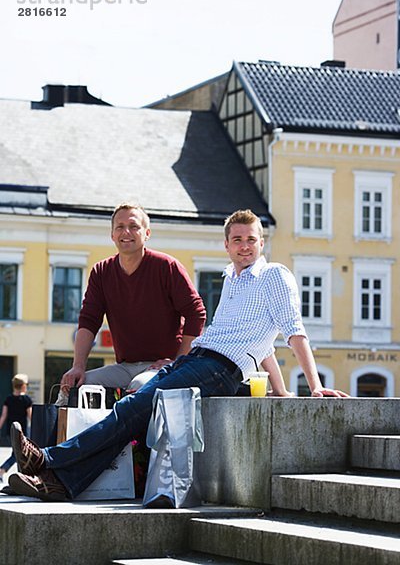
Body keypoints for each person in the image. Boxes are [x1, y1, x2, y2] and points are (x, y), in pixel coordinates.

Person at [8, 209, 348, 501]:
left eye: (251, 240)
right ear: (227, 245)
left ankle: (46, 459)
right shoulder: (231, 279)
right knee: (136, 411)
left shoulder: (274, 275)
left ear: (262, 243)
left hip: (219, 367)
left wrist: (313, 385)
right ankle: (61, 484)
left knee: (133, 406)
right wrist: (281, 388)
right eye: (238, 240)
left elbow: (292, 330)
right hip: (196, 359)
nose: (245, 247)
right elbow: (264, 345)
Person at [55, 203, 207, 405]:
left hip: (163, 366)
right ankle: (51, 438)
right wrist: (78, 366)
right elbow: (89, 320)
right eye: (119, 226)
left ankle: (131, 438)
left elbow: (196, 313)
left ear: (147, 233)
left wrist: (179, 361)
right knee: (73, 388)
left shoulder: (166, 267)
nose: (126, 232)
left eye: (134, 226)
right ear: (112, 235)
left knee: (138, 387)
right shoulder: (101, 272)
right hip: (124, 366)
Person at [0, 374, 32, 482]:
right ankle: (2, 470)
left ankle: (22, 475)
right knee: (18, 454)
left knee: (18, 453)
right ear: (23, 386)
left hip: (10, 430)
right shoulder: (26, 400)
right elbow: (30, 416)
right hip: (22, 431)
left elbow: (3, 416)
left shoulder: (8, 399)